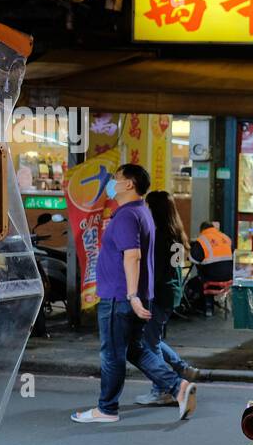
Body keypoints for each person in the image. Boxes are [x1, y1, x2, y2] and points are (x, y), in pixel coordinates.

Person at [71, 164, 196, 423]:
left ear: (129, 183)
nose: (112, 184)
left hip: (120, 297)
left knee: (112, 354)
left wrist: (131, 296)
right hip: (134, 294)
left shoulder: (128, 215)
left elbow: (133, 256)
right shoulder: (141, 212)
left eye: (116, 179)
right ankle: (177, 387)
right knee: (134, 350)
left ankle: (106, 409)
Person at [136, 191, 202, 406]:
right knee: (152, 339)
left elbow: (152, 272)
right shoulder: (174, 232)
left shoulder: (157, 235)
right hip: (170, 292)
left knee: (149, 344)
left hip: (157, 294)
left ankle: (162, 389)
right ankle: (181, 368)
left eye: (147, 206)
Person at [190, 220, 234, 315]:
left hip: (211, 279)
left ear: (202, 229)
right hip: (229, 278)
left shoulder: (202, 239)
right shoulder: (226, 238)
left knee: (194, 282)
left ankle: (207, 307)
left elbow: (193, 259)